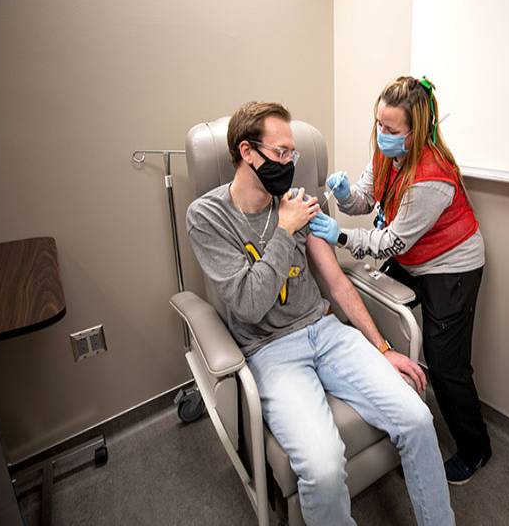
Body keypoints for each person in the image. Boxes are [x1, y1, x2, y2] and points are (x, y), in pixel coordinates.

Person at [186, 101, 454, 526]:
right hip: (270, 351)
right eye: (281, 153)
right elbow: (249, 305)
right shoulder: (207, 216)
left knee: (418, 418)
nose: (290, 163)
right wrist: (285, 228)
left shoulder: (298, 203)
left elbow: (337, 282)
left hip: (325, 332)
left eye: (294, 154)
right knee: (324, 466)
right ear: (247, 151)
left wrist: (382, 347)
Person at [309, 76, 492, 485]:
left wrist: (338, 235)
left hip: (452, 266)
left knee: (447, 366)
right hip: (413, 256)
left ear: (417, 131)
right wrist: (342, 196)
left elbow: (391, 239)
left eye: (391, 130)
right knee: (373, 306)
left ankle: (475, 448)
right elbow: (365, 199)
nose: (381, 134)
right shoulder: (386, 153)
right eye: (378, 124)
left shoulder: (432, 176)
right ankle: (397, 413)